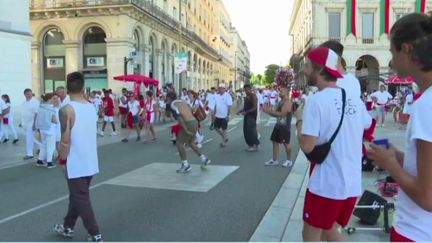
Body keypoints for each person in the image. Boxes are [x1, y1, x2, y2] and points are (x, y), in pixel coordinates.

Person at [368, 13, 432, 242]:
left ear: (406, 49)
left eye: (391, 52)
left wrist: (390, 164)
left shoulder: (426, 105)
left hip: (415, 231)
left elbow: (427, 198)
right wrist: (399, 156)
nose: (391, 61)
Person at [296, 47, 371, 241]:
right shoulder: (354, 99)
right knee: (330, 231)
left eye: (307, 66)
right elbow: (367, 125)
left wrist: (299, 121)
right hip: (352, 185)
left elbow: (307, 146)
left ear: (319, 69)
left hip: (326, 185)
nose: (304, 70)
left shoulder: (316, 101)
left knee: (310, 235)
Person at [54, 72, 103, 242]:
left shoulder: (66, 110)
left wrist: (62, 160)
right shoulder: (91, 107)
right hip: (90, 159)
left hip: (75, 161)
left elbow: (65, 140)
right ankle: (68, 226)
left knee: (80, 197)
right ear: (83, 88)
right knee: (77, 195)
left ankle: (94, 233)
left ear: (67, 89)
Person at [165, 91, 211, 173]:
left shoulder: (172, 105)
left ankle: (185, 165)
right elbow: (191, 110)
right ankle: (204, 159)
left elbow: (180, 118)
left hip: (188, 123)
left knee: (179, 143)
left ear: (169, 98)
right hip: (194, 121)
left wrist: (186, 130)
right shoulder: (181, 101)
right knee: (191, 142)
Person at [262, 87, 294, 167]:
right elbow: (275, 114)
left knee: (286, 143)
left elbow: (282, 114)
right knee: (274, 141)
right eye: (280, 91)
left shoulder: (288, 102)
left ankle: (289, 160)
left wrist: (270, 111)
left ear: (286, 92)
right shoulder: (280, 102)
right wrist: (268, 112)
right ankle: (274, 160)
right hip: (278, 125)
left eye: (281, 91)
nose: (279, 92)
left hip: (285, 127)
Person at [34, 93, 59, 169]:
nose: (56, 100)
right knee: (51, 146)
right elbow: (55, 120)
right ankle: (49, 162)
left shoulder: (41, 106)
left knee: (44, 145)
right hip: (50, 129)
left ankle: (40, 160)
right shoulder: (51, 108)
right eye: (54, 98)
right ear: (49, 99)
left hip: (42, 129)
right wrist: (57, 121)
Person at [237, 84, 259, 152]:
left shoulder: (253, 96)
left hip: (251, 116)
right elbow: (245, 107)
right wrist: (240, 111)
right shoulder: (246, 97)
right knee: (246, 131)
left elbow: (255, 107)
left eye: (246, 90)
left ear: (250, 89)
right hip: (247, 116)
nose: (245, 91)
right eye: (244, 90)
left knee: (251, 131)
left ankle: (254, 144)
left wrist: (247, 112)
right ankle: (251, 145)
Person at [20, 89, 41, 160]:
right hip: (25, 123)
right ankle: (41, 147)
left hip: (31, 123)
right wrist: (21, 122)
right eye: (27, 93)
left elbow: (36, 113)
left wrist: (34, 124)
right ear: (25, 94)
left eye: (30, 93)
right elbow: (23, 113)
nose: (29, 94)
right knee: (31, 138)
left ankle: (29, 154)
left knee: (29, 139)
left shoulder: (35, 102)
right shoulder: (24, 103)